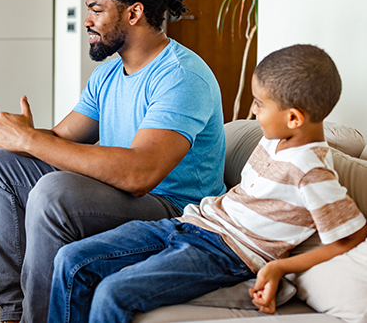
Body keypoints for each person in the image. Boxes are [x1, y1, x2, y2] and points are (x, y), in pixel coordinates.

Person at [0, 0, 227, 323]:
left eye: (97, 10)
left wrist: (31, 140)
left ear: (134, 13)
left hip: (175, 208)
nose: (87, 20)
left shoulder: (180, 76)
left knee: (54, 193)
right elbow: (60, 140)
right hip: (123, 193)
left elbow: (140, 174)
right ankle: (15, 312)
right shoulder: (109, 74)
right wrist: (4, 131)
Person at [48, 44, 367, 323]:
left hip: (225, 253)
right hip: (192, 222)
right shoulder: (276, 138)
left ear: (294, 118)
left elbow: (350, 235)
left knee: (113, 293)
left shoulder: (311, 169)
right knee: (72, 259)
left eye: (260, 103)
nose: (252, 110)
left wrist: (278, 269)